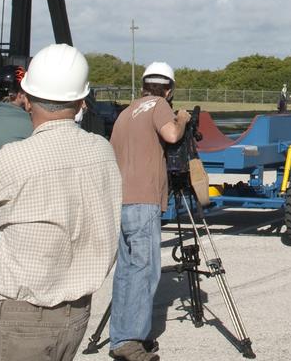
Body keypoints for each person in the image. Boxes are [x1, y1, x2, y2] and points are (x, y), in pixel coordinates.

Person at [0, 44, 121, 361]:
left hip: (21, 317)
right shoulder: (101, 151)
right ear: (80, 101)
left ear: (26, 99)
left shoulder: (13, 160)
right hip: (76, 315)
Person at [107, 62, 193, 361]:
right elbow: (171, 135)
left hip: (121, 199)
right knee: (144, 273)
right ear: (168, 89)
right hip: (143, 201)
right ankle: (133, 341)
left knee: (126, 272)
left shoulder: (126, 112)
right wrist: (181, 119)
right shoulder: (159, 106)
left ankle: (119, 337)